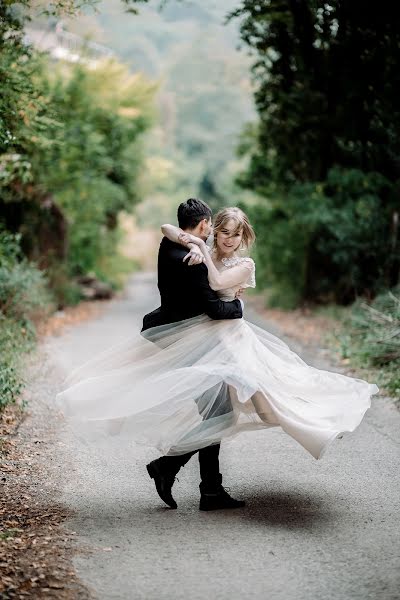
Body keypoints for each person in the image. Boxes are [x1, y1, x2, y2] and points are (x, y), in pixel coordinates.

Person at [56, 200, 379, 511]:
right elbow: (174, 236)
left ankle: (186, 476)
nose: (228, 239)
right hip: (206, 344)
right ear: (209, 228)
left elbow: (217, 281)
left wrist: (214, 271)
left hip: (226, 344)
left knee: (251, 405)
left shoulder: (230, 261)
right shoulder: (195, 250)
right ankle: (193, 481)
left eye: (236, 234)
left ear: (243, 236)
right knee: (219, 413)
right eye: (222, 232)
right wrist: (201, 253)